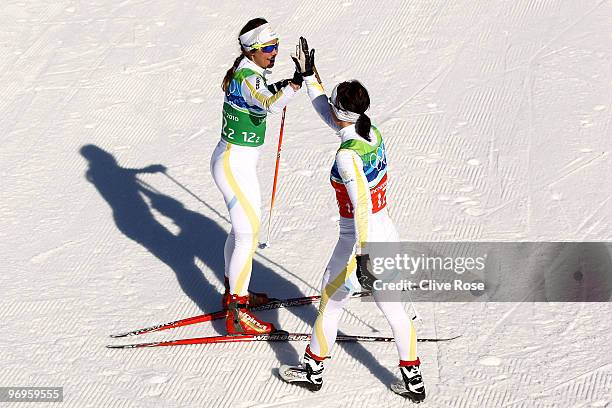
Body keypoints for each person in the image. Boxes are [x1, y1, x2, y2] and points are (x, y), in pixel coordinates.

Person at [278, 38, 426, 402]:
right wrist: (310, 76)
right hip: (386, 232)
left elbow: (359, 204)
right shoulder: (370, 131)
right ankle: (414, 380)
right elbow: (331, 114)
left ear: (340, 112)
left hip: (359, 240)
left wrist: (362, 256)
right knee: (393, 307)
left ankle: (312, 370)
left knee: (331, 301)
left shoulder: (347, 157)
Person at [210, 18, 302, 336]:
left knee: (243, 231)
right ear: (252, 51)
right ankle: (237, 311)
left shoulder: (252, 72)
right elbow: (267, 103)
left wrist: (287, 84)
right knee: (247, 236)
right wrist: (294, 84)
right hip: (232, 163)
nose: (274, 53)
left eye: (276, 46)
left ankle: (236, 291)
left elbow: (264, 93)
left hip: (241, 164)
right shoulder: (248, 75)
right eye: (267, 48)